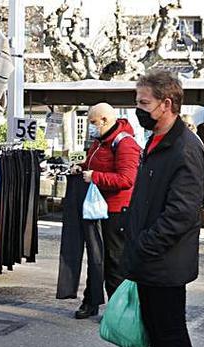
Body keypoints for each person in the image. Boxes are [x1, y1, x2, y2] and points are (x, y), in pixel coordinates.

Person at [119, 70, 204, 347]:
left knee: (171, 333)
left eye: (143, 103)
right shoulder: (156, 140)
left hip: (166, 260)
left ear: (166, 104)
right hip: (151, 259)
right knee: (155, 328)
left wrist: (143, 246)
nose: (138, 109)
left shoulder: (185, 147)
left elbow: (181, 213)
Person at [71, 102, 140, 319]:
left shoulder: (125, 144)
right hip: (98, 208)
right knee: (96, 258)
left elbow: (127, 179)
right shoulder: (100, 141)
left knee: (114, 261)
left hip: (116, 211)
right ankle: (91, 302)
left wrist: (95, 177)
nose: (90, 127)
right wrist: (82, 167)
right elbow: (97, 165)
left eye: (92, 122)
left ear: (105, 120)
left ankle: (118, 310)